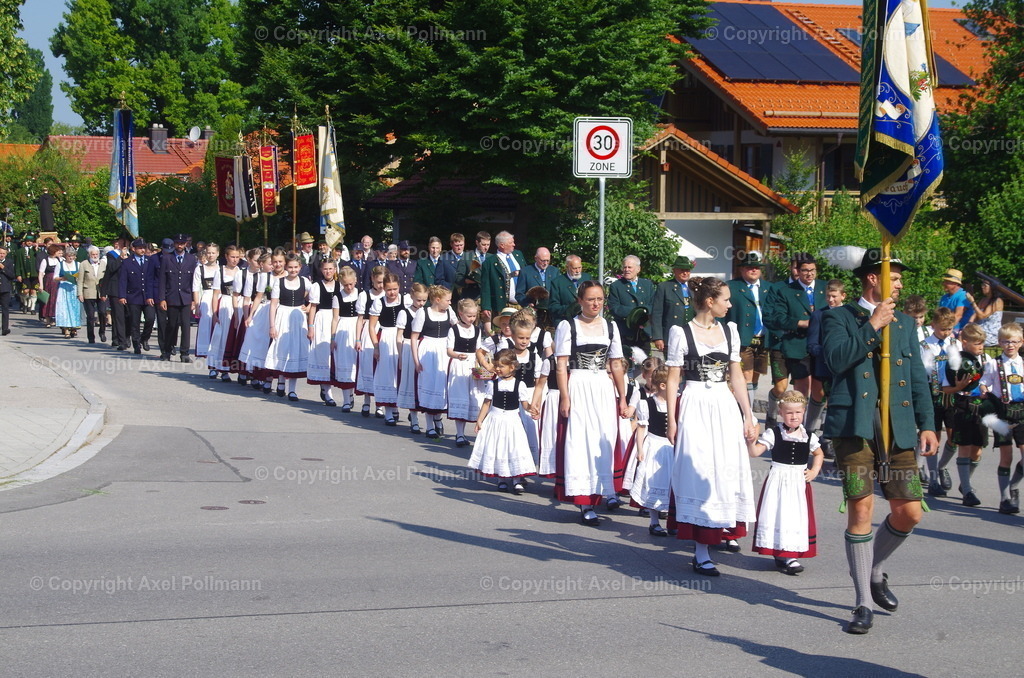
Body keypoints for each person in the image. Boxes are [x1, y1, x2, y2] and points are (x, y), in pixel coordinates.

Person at [821, 248, 938, 635]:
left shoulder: (905, 323)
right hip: (855, 427)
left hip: (899, 427)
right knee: (862, 507)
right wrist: (872, 325)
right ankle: (862, 603)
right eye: (896, 276)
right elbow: (836, 361)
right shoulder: (837, 316)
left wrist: (927, 423)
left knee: (910, 512)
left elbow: (917, 376)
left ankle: (872, 567)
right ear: (875, 277)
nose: (901, 283)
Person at [664, 276, 758, 576]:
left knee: (726, 468)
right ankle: (701, 549)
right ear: (709, 302)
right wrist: (672, 418)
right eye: (726, 300)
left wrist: (748, 414)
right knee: (699, 471)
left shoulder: (729, 331)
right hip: (694, 403)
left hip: (722, 404)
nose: (730, 305)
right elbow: (673, 379)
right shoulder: (682, 332)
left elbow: (737, 376)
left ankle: (723, 528)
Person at [553, 280, 628, 527]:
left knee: (604, 437)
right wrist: (565, 396)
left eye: (599, 299)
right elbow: (561, 364)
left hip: (603, 388)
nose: (596, 304)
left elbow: (616, 363)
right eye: (590, 299)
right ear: (580, 301)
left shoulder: (611, 326)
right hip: (580, 385)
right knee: (581, 440)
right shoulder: (568, 326)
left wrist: (623, 396)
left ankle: (607, 489)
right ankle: (585, 501)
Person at [748, 390, 823, 575]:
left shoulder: (809, 436)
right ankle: (781, 553)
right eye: (789, 413)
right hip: (778, 480)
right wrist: (751, 441)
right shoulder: (774, 433)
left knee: (794, 517)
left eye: (798, 412)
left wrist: (814, 471)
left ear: (804, 412)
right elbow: (755, 452)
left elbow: (819, 453)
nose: (794, 416)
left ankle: (790, 555)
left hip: (798, 482)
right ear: (781, 413)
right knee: (777, 514)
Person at [764, 253, 827, 431]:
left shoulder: (825, 287)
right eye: (805, 270)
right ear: (797, 271)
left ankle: (811, 429)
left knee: (820, 391)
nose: (809, 274)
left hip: (822, 345)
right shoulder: (786, 291)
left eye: (812, 270)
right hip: (797, 345)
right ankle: (796, 429)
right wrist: (801, 323)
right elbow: (777, 318)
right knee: (801, 390)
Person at [469, 348, 538, 494]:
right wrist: (479, 420)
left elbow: (525, 404)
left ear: (512, 367)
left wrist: (531, 408)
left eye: (501, 366)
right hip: (496, 420)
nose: (497, 369)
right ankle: (501, 479)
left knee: (514, 448)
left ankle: (516, 479)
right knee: (499, 448)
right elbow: (487, 403)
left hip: (512, 421)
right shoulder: (493, 384)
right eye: (496, 366)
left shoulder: (520, 385)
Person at [980, 322, 1024, 514]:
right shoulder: (993, 364)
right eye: (1006, 342)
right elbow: (984, 382)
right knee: (1006, 457)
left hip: (1022, 412)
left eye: (1014, 342)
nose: (1010, 345)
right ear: (999, 342)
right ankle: (1005, 497)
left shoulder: (1023, 364)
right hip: (1002, 413)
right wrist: (983, 390)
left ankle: (1014, 485)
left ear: (1021, 342)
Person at [945, 323, 990, 507]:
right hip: (963, 404)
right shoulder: (955, 360)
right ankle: (967, 490)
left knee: (977, 450)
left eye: (982, 343)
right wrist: (958, 387)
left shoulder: (987, 359)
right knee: (964, 446)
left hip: (981, 406)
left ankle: (966, 483)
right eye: (977, 343)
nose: (981, 347)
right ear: (964, 342)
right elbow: (945, 386)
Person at [627, 365, 674, 536]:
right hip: (655, 447)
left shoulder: (677, 402)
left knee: (673, 485)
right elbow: (641, 428)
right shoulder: (647, 404)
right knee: (654, 483)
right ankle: (654, 522)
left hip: (673, 449)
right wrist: (640, 449)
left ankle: (673, 521)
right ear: (662, 386)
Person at [920, 307, 959, 496]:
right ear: (933, 325)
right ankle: (933, 478)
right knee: (933, 438)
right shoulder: (924, 345)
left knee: (954, 438)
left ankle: (942, 466)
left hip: (951, 396)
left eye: (949, 329)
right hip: (932, 394)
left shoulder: (955, 344)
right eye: (943, 329)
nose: (946, 333)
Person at [412, 285, 457, 437]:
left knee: (442, 384)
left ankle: (438, 418)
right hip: (428, 350)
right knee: (428, 384)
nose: (450, 303)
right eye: (448, 300)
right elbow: (414, 337)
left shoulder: (449, 312)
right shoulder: (423, 312)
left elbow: (457, 328)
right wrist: (416, 360)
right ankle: (429, 424)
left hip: (444, 349)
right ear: (437, 300)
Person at [266, 254, 310, 400]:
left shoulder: (305, 281)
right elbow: (273, 305)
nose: (293, 270)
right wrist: (272, 325)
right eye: (290, 267)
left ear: (300, 267)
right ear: (286, 267)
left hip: (298, 317)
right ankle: (280, 380)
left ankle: (292, 389)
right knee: (282, 348)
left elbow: (315, 298)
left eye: (296, 267)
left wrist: (308, 307)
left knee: (295, 351)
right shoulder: (279, 282)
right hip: (283, 316)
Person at [369, 272, 408, 424]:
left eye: (395, 289)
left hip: (402, 338)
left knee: (401, 374)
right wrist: (376, 346)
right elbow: (372, 327)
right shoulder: (379, 302)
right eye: (389, 289)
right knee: (387, 374)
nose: (392, 293)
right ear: (384, 288)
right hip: (386, 338)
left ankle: (398, 406)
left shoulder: (406, 300)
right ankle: (389, 411)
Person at [446, 298, 485, 446]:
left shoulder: (477, 330)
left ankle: (479, 433)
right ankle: (460, 434)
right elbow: (449, 350)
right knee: (460, 397)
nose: (472, 319)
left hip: (472, 366)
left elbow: (479, 350)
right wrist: (457, 355)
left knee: (477, 397)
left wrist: (483, 364)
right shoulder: (454, 329)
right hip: (459, 365)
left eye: (474, 316)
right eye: (469, 316)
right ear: (460, 314)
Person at [158, 234, 199, 363]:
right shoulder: (166, 258)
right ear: (174, 244)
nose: (180, 246)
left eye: (182, 243)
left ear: (186, 244)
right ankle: (167, 351)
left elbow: (194, 281)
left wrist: (194, 299)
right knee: (171, 325)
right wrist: (162, 298)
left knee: (186, 326)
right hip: (171, 297)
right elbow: (162, 281)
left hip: (186, 297)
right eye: (177, 243)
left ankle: (184, 353)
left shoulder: (191, 259)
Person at [396, 282, 429, 431]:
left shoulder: (427, 312)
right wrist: (401, 356)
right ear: (411, 297)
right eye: (418, 300)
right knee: (412, 384)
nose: (421, 303)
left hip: (424, 348)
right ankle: (414, 418)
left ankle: (435, 418)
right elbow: (399, 337)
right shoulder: (405, 312)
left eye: (424, 300)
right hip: (410, 347)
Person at [355, 265, 387, 416]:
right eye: (378, 282)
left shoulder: (390, 295)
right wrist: (358, 339)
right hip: (369, 329)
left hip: (385, 330)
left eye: (383, 282)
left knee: (381, 367)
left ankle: (380, 404)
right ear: (372, 279)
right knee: (368, 366)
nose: (381, 285)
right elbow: (360, 319)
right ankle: (367, 401)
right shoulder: (365, 295)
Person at [207, 245, 242, 380]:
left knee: (232, 337)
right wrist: (214, 313)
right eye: (232, 257)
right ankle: (214, 366)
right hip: (225, 303)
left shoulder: (241, 271)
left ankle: (226, 368)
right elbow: (215, 294)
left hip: (237, 304)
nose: (235, 260)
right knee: (221, 336)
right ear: (226, 257)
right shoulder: (220, 271)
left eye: (237, 257)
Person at [307, 259, 340, 404]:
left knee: (337, 355)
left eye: (331, 268)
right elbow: (313, 307)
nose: (328, 271)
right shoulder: (316, 286)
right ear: (321, 270)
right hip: (322, 320)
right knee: (323, 355)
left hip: (337, 320)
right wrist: (311, 326)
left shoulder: (340, 286)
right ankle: (327, 390)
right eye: (325, 269)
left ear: (335, 270)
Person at [118, 238, 158, 354]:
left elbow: (153, 278)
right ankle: (136, 344)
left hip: (148, 296)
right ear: (133, 249)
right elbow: (123, 280)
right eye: (140, 248)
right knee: (134, 322)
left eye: (143, 248)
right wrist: (122, 295)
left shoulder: (149, 261)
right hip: (133, 296)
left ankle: (144, 338)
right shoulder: (127, 262)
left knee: (150, 318)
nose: (142, 250)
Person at [330, 266, 362, 411]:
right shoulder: (337, 296)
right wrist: (333, 337)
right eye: (345, 285)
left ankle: (360, 396)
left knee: (357, 363)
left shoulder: (361, 294)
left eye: (351, 284)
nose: (349, 287)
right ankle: (346, 399)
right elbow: (335, 319)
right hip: (343, 329)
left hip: (357, 327)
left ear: (355, 281)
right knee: (344, 362)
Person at [607, 254, 655, 351]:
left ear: (638, 269)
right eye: (625, 267)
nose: (626, 270)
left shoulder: (647, 285)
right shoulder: (616, 286)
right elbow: (614, 308)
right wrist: (635, 313)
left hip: (643, 332)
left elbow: (653, 304)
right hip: (625, 332)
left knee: (645, 363)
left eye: (630, 267)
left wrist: (643, 312)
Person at [479, 231, 527, 324]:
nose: (514, 244)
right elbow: (485, 286)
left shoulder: (518, 255)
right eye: (511, 242)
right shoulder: (490, 262)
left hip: (522, 304)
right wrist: (486, 307)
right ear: (502, 245)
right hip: (503, 305)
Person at [650, 255, 695, 353]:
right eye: (682, 270)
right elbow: (657, 314)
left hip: (690, 336)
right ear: (674, 270)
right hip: (671, 336)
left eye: (687, 270)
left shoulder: (693, 288)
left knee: (690, 366)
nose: (685, 273)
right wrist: (658, 337)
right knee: (672, 366)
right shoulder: (664, 287)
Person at [192, 244, 220, 361]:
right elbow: (196, 288)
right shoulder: (200, 269)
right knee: (206, 325)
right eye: (208, 252)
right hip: (206, 297)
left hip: (220, 297)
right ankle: (207, 352)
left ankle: (218, 351)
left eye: (213, 253)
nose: (211, 255)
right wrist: (197, 305)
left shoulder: (221, 268)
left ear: (218, 253)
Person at [548, 255, 592, 327]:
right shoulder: (557, 282)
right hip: (566, 321)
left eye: (579, 267)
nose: (578, 271)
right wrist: (571, 308)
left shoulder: (587, 278)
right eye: (574, 268)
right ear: (567, 267)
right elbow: (553, 307)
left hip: (585, 321)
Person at [515, 247, 555, 326]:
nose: (545, 263)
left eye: (548, 260)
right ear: (536, 258)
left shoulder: (554, 271)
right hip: (533, 314)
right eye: (543, 260)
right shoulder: (525, 272)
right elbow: (519, 294)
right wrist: (527, 304)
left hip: (550, 314)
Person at [76, 245, 107, 344]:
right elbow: (80, 280)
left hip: (101, 293)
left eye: (96, 254)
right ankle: (91, 336)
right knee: (90, 316)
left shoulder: (103, 264)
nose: (95, 256)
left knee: (102, 312)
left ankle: (102, 331)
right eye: (93, 254)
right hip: (88, 292)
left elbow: (107, 279)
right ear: (89, 255)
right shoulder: (84, 264)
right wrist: (79, 293)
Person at [101, 238, 128, 350]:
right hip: (116, 289)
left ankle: (125, 337)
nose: (121, 244)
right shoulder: (112, 255)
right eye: (119, 243)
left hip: (129, 289)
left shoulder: (131, 255)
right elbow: (111, 269)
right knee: (118, 316)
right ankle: (120, 340)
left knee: (128, 316)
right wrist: (121, 257)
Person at [966, 280, 1003, 355]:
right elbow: (975, 315)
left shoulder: (997, 301)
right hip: (981, 330)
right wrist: (968, 324)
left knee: (971, 338)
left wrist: (973, 302)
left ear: (992, 288)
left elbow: (982, 316)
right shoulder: (983, 300)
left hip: (991, 333)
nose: (982, 287)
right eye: (982, 285)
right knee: (963, 334)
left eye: (985, 286)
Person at [454, 231, 490, 304]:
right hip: (471, 297)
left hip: (487, 299)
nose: (486, 247)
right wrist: (467, 281)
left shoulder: (492, 257)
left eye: (488, 245)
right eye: (483, 244)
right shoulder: (466, 256)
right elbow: (458, 277)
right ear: (477, 243)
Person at [938, 268, 972, 333]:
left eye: (947, 282)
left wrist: (946, 330)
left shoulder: (963, 296)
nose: (944, 284)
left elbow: (958, 315)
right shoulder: (944, 298)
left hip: (960, 330)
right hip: (945, 328)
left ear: (955, 283)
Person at [38, 243, 62, 327]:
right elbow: (41, 273)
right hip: (48, 282)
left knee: (56, 300)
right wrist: (41, 285)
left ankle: (54, 317)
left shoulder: (59, 260)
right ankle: (48, 319)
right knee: (48, 300)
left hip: (57, 282)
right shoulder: (45, 260)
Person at [0, 244, 15, 335]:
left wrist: (3, 268)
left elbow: (12, 275)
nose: (1, 255)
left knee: (5, 309)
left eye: (3, 253)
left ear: (6, 254)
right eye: (0, 253)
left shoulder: (9, 262)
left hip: (4, 288)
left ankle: (5, 328)